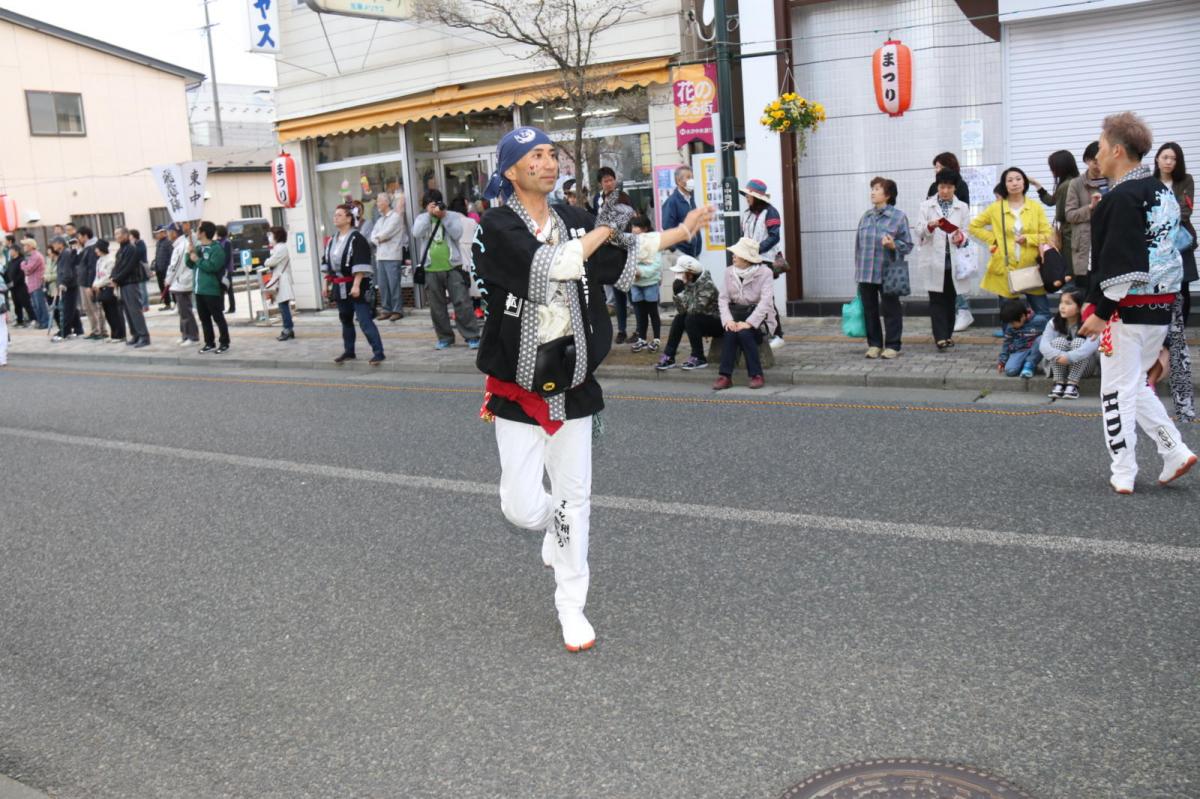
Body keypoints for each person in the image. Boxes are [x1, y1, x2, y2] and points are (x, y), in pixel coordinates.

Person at [472, 126, 713, 652]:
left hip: (575, 383)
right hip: (518, 388)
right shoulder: (494, 226)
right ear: (511, 171)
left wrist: (681, 231)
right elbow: (550, 267)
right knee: (521, 507)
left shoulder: (576, 219)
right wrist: (605, 228)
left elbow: (626, 253)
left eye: (550, 153)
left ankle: (571, 605)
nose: (547, 161)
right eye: (534, 155)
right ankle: (554, 531)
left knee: (575, 498)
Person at [1076, 111, 1195, 493]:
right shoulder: (1162, 192)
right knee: (1136, 385)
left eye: (1100, 146)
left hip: (1125, 307)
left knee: (1115, 390)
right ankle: (1173, 449)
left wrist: (1101, 311)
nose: (1097, 154)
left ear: (1116, 149)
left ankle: (1123, 468)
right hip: (1159, 305)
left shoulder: (1122, 197)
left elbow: (1122, 260)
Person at [969, 166, 1053, 317]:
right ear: (1005, 185)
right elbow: (974, 226)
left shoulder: (1035, 207)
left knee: (1043, 313)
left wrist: (1028, 238)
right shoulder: (995, 208)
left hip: (1032, 266)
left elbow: (1047, 234)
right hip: (1005, 266)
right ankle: (1012, 340)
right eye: (1010, 180)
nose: (1014, 183)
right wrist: (995, 239)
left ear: (1024, 183)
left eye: (1018, 179)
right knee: (1009, 316)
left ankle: (1039, 340)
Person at [1152, 142, 1196, 422]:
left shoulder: (1185, 181)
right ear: (1156, 158)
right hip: (1156, 250)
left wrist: (1160, 217)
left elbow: (1186, 211)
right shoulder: (1148, 181)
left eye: (1173, 158)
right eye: (1165, 156)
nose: (1168, 162)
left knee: (1182, 293)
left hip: (1179, 245)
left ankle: (1175, 333)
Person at [412, 188, 480, 350]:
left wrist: (443, 216)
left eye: (435, 204)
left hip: (453, 266)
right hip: (431, 268)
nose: (433, 207)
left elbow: (457, 234)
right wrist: (429, 215)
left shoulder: (452, 216)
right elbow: (416, 233)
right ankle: (445, 337)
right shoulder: (422, 217)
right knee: (437, 306)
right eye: (429, 205)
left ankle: (472, 335)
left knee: (462, 302)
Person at [854, 176, 913, 359]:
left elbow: (908, 244)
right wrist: (857, 270)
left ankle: (893, 345)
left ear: (887, 195)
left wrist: (893, 245)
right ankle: (874, 344)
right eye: (872, 189)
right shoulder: (866, 216)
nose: (872, 192)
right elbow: (858, 245)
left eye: (877, 189)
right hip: (865, 271)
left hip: (888, 271)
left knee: (891, 309)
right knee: (869, 309)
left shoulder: (898, 217)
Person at [916, 169, 972, 350]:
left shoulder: (962, 207)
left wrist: (960, 236)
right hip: (933, 259)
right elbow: (918, 230)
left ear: (955, 187)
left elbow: (966, 230)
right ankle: (940, 336)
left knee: (951, 298)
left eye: (949, 187)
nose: (945, 191)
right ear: (937, 187)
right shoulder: (926, 206)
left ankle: (947, 335)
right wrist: (929, 226)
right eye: (942, 187)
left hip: (954, 260)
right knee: (936, 298)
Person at [323, 203, 385, 365]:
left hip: (356, 284)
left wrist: (356, 285)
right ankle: (349, 351)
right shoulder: (332, 240)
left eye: (339, 215)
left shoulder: (357, 238)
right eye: (335, 215)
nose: (335, 218)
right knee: (345, 319)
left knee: (364, 320)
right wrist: (326, 286)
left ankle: (378, 352)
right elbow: (327, 264)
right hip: (339, 285)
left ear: (349, 218)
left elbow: (361, 263)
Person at [713, 236, 776, 390]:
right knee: (730, 332)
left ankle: (756, 375)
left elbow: (766, 302)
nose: (733, 256)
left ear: (747, 259)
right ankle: (725, 376)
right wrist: (728, 320)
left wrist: (748, 323)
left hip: (759, 319)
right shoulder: (729, 272)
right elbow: (722, 299)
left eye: (737, 254)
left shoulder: (765, 273)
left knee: (744, 333)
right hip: (735, 316)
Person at [925, 153, 974, 332]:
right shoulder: (933, 187)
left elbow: (963, 211)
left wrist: (957, 232)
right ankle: (949, 319)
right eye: (935, 167)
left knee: (957, 276)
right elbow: (927, 209)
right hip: (936, 241)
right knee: (941, 284)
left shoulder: (960, 186)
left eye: (939, 166)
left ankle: (963, 311)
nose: (936, 170)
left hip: (954, 239)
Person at [740, 178, 785, 347]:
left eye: (749, 195)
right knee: (754, 299)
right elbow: (742, 236)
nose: (746, 198)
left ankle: (777, 334)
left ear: (756, 197)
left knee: (765, 298)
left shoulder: (771, 212)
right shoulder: (746, 214)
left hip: (765, 262)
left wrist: (756, 249)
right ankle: (762, 333)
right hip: (749, 261)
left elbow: (774, 236)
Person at [655, 254, 720, 371]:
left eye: (681, 272)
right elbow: (682, 310)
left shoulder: (707, 285)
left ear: (690, 273)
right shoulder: (690, 282)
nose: (678, 276)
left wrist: (680, 292)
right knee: (679, 318)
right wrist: (677, 293)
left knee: (690, 318)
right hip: (699, 320)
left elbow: (695, 309)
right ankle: (669, 356)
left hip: (716, 322)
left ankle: (699, 357)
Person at [1029, 150, 1081, 276]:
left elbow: (1062, 214)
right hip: (1076, 233)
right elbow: (1052, 201)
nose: (1051, 170)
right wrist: (1037, 185)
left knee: (1069, 272)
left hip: (1069, 234)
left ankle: (1070, 294)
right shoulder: (1074, 181)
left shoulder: (1066, 185)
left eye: (1052, 167)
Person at [1064, 141, 1107, 291]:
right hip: (1085, 246)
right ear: (1087, 161)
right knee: (1085, 293)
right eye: (1095, 161)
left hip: (1108, 243)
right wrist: (1090, 208)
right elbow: (1069, 215)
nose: (1099, 165)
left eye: (1103, 159)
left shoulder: (1114, 180)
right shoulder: (1076, 184)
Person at [1039, 288, 1098, 399]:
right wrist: (1058, 356)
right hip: (1058, 366)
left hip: (1084, 367)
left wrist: (1069, 357)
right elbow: (1043, 345)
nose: (1062, 306)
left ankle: (1072, 384)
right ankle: (1058, 383)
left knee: (1079, 342)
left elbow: (1092, 345)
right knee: (1058, 342)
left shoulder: (1089, 322)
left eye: (1068, 303)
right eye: (1061, 302)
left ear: (1079, 306)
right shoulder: (1053, 322)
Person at [188, 221, 231, 354]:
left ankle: (224, 342)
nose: (196, 233)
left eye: (198, 231)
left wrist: (197, 260)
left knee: (217, 317)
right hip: (199, 289)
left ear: (203, 233)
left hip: (212, 289)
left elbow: (212, 266)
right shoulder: (199, 248)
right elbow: (190, 264)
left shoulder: (216, 249)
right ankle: (209, 342)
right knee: (204, 318)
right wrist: (189, 253)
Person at [369, 192, 408, 321]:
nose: (377, 203)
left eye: (379, 201)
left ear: (386, 202)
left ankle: (397, 310)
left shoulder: (395, 217)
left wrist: (379, 238)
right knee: (383, 285)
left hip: (392, 255)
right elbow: (373, 236)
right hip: (380, 256)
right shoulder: (380, 220)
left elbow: (386, 234)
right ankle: (386, 309)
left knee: (394, 284)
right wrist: (378, 239)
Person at [111, 227, 150, 347]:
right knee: (128, 312)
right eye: (115, 234)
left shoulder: (132, 249)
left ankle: (144, 336)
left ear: (126, 235)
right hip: (123, 283)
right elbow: (117, 266)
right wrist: (112, 277)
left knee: (135, 311)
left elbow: (128, 267)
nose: (116, 236)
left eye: (118, 234)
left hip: (131, 283)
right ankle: (135, 334)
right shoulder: (121, 250)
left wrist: (116, 279)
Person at [628, 215, 662, 352]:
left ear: (645, 229)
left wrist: (640, 271)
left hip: (650, 283)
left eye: (637, 227)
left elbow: (656, 265)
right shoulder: (631, 243)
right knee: (639, 313)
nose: (634, 229)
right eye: (633, 226)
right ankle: (642, 339)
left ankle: (656, 339)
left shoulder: (654, 243)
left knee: (653, 312)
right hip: (635, 284)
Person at [163, 223, 199, 346]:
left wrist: (168, 279)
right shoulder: (179, 244)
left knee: (185, 311)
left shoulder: (181, 245)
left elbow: (175, 265)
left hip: (182, 280)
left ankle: (192, 336)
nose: (167, 234)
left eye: (168, 231)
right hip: (180, 281)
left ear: (174, 232)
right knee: (182, 311)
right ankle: (185, 334)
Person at [997, 298, 1048, 378]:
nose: (1011, 325)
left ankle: (1029, 365)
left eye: (1013, 322)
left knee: (1041, 339)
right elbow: (1007, 344)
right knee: (1010, 371)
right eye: (1009, 323)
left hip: (1036, 351)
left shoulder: (1040, 321)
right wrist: (1002, 361)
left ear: (1022, 316)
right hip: (1020, 351)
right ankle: (1027, 364)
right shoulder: (1010, 327)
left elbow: (1050, 335)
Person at [263, 226, 295, 341]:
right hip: (281, 279)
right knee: (283, 306)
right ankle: (288, 329)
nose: (269, 237)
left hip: (283, 280)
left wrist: (266, 261)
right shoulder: (278, 247)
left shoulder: (281, 248)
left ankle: (288, 329)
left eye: (271, 234)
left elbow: (270, 262)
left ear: (277, 235)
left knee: (283, 306)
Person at [91, 239, 126, 344]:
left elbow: (108, 276)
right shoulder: (99, 260)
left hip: (109, 288)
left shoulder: (110, 260)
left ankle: (120, 335)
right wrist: (94, 284)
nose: (95, 251)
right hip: (101, 288)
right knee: (107, 313)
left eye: (97, 248)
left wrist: (98, 284)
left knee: (114, 312)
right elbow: (97, 275)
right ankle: (113, 334)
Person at [661, 166, 702, 257]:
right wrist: (675, 249)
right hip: (680, 253)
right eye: (688, 177)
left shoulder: (690, 199)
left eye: (692, 177)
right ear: (679, 181)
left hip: (694, 251)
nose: (691, 180)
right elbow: (667, 227)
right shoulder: (672, 201)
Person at [76, 226, 105, 340]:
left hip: (89, 283)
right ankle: (95, 330)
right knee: (88, 308)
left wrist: (89, 285)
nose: (78, 239)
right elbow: (78, 262)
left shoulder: (93, 247)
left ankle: (100, 330)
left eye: (79, 236)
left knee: (94, 307)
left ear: (85, 236)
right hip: (83, 282)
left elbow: (92, 268)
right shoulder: (85, 248)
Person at [19, 239, 49, 329]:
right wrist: (25, 265)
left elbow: (28, 270)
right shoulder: (30, 256)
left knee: (40, 305)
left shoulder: (36, 256)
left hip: (37, 283)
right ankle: (40, 322)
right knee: (35, 305)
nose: (24, 247)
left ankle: (44, 323)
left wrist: (23, 264)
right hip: (31, 284)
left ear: (30, 246)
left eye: (25, 245)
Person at [4, 241, 31, 328]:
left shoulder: (21, 260)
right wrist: (7, 283)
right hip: (13, 287)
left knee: (26, 303)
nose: (10, 252)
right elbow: (7, 273)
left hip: (21, 286)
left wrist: (14, 283)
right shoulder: (11, 261)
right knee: (16, 304)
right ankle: (20, 320)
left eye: (11, 250)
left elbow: (21, 274)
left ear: (16, 251)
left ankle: (33, 319)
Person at [216, 224, 235, 314]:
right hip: (220, 269)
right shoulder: (218, 242)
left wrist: (222, 266)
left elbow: (227, 257)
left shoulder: (227, 242)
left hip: (227, 269)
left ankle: (232, 307)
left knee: (229, 289)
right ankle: (221, 307)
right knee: (221, 289)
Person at [153, 226, 173, 310]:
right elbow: (157, 256)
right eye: (156, 233)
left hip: (166, 269)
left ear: (163, 232)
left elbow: (171, 256)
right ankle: (167, 304)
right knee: (162, 287)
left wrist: (169, 268)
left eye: (158, 233)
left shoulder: (168, 242)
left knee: (169, 287)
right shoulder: (158, 243)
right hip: (159, 269)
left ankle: (175, 303)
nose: (157, 235)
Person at [130, 229, 150, 311]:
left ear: (134, 236)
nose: (129, 237)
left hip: (142, 268)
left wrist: (132, 245)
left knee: (142, 288)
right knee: (139, 288)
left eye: (130, 235)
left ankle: (145, 305)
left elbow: (138, 254)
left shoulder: (140, 243)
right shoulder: (135, 244)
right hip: (137, 269)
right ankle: (142, 304)